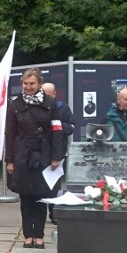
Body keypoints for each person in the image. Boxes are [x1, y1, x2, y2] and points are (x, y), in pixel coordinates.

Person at [5, 68, 65, 249]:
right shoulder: (15, 104)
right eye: (25, 83)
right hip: (22, 154)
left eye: (32, 83)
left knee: (40, 197)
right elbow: (10, 133)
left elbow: (57, 131)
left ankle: (38, 235)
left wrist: (56, 156)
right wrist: (10, 160)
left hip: (44, 154)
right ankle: (27, 236)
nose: (28, 87)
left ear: (39, 84)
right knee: (25, 198)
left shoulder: (51, 103)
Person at [42, 83, 74, 225]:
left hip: (58, 152)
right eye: (43, 94)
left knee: (54, 186)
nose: (46, 97)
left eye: (49, 94)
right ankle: (39, 214)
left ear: (55, 94)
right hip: (40, 152)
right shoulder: (37, 108)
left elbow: (71, 127)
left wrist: (56, 126)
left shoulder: (63, 108)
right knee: (39, 187)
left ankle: (54, 213)